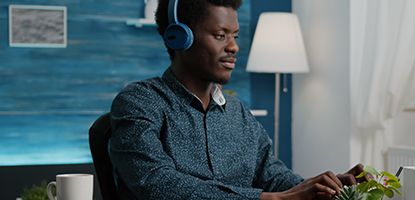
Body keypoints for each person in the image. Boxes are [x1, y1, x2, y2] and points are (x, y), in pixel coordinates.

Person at [108, 0, 363, 199]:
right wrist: (270, 199)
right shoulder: (139, 102)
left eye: (235, 36)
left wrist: (322, 188)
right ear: (179, 37)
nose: (234, 47)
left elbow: (274, 177)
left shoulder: (238, 113)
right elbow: (156, 184)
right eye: (220, 35)